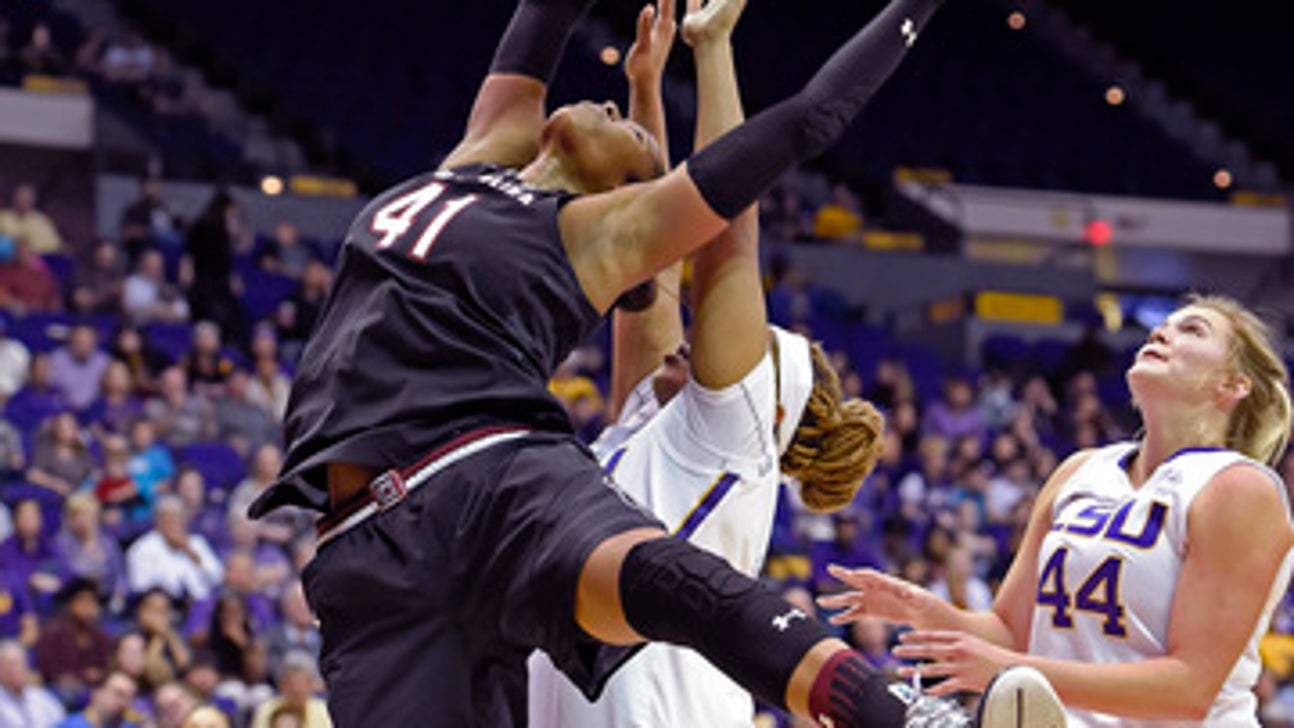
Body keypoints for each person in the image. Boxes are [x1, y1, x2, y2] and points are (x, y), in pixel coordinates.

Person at [249, 0, 1063, 726]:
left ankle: (903, 718)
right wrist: (649, 84)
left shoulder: (605, 246)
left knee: (682, 585)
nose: (608, 103)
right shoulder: (481, 161)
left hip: (489, 480)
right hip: (373, 547)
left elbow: (785, 148)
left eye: (632, 131)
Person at [528, 0, 884, 724]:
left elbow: (726, 228)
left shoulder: (730, 436)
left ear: (770, 403)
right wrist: (645, 99)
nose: (696, 336)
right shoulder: (657, 429)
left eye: (741, 342)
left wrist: (714, 48)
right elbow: (648, 269)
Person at [824, 294, 1294, 725]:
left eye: (1192, 330)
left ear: (1234, 385)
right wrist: (928, 611)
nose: (1160, 333)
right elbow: (1011, 632)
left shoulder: (1237, 488)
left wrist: (1012, 670)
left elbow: (1190, 688)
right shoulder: (1080, 471)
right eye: (1162, 326)